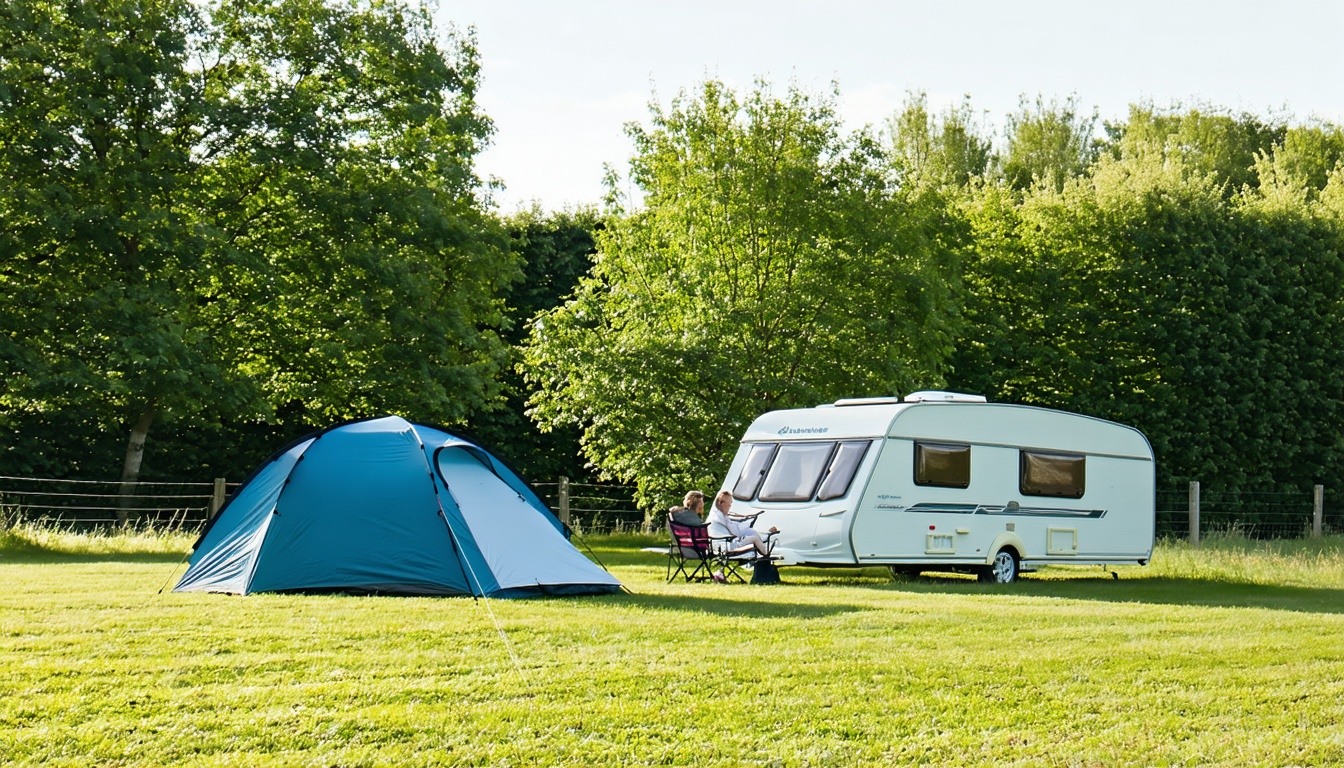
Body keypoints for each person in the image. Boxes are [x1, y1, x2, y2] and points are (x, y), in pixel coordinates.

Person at [706, 490, 777, 558]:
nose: (730, 506)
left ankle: (766, 549)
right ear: (723, 504)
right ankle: (766, 553)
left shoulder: (716, 515)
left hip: (717, 547)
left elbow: (735, 530)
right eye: (729, 504)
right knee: (753, 536)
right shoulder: (721, 518)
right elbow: (737, 532)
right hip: (726, 547)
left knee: (751, 533)